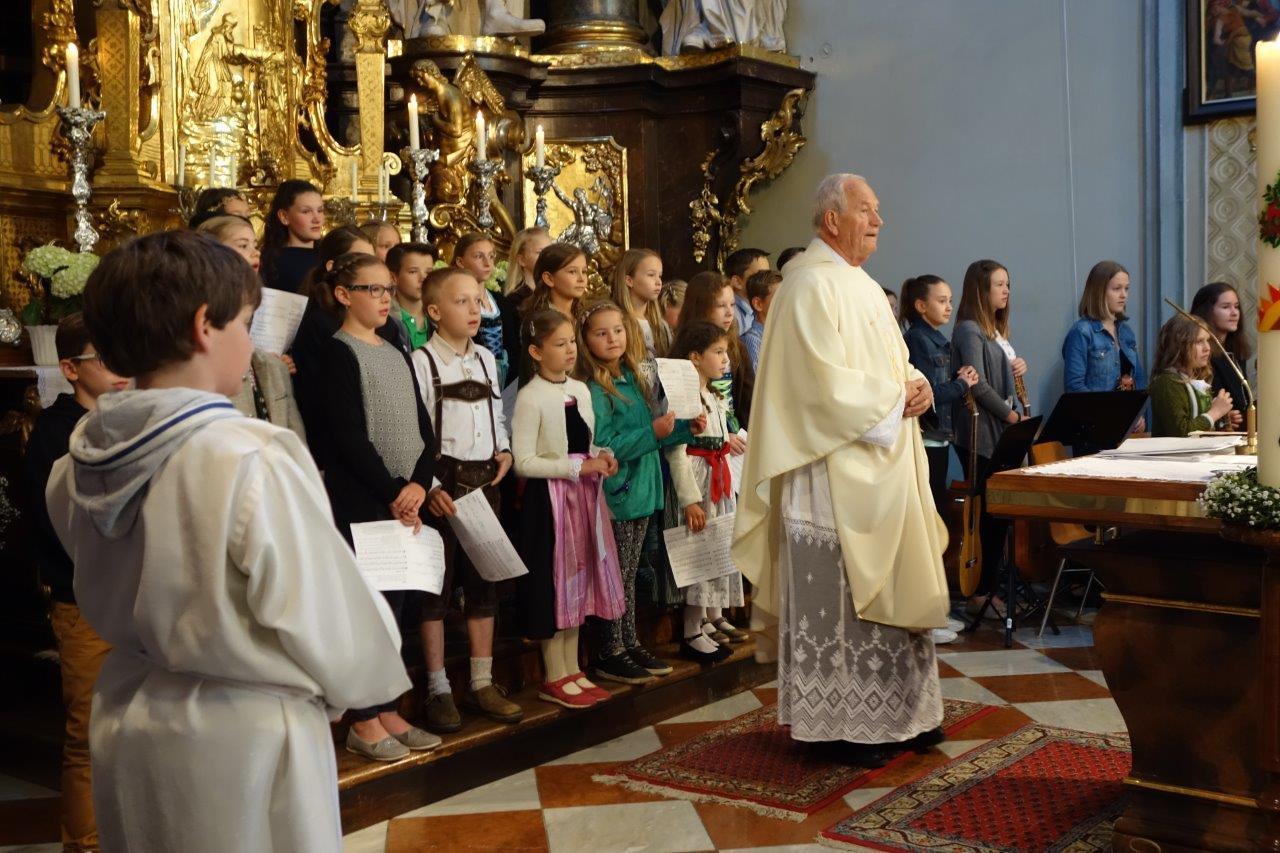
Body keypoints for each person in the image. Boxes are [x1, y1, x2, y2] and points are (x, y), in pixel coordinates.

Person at [45, 231, 411, 852]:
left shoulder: (77, 462)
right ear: (203, 327)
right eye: (246, 322)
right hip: (243, 729)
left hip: (128, 710)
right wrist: (358, 684)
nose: (251, 340)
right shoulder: (248, 455)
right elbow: (329, 617)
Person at [733, 174, 948, 766]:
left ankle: (905, 714)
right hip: (829, 473)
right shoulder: (807, 285)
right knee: (844, 599)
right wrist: (894, 398)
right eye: (865, 210)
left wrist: (920, 387)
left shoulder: (860, 284)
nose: (878, 221)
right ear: (832, 220)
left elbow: (896, 362)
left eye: (878, 210)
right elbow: (817, 386)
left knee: (896, 585)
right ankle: (845, 725)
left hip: (883, 465)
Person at [315, 252, 442, 762]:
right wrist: (394, 490)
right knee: (369, 613)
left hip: (405, 499)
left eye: (388, 289)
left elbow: (422, 427)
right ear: (344, 295)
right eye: (373, 289)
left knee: (398, 611)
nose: (385, 298)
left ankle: (389, 709)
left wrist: (420, 483)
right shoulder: (337, 353)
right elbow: (346, 438)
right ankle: (363, 719)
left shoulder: (394, 349)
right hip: (365, 500)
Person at [23, 313, 128, 852]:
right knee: (88, 738)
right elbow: (60, 526)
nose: (122, 368)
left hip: (133, 602)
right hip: (83, 600)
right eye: (105, 358)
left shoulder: (130, 422)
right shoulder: (55, 433)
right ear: (70, 369)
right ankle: (84, 846)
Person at [411, 267, 524, 732]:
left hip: (484, 481)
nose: (474, 310)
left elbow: (495, 414)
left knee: (484, 584)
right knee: (435, 592)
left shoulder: (485, 359)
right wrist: (430, 487)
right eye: (462, 302)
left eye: (477, 301)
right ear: (435, 311)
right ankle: (438, 687)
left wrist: (505, 449)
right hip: (443, 483)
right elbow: (415, 431)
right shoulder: (421, 362)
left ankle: (481, 681)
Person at [577, 300, 701, 685]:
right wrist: (653, 432)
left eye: (618, 330)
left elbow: (655, 433)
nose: (612, 338)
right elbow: (604, 445)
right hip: (618, 492)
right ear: (586, 340)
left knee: (629, 573)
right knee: (616, 574)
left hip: (643, 490)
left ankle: (628, 641)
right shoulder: (595, 388)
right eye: (601, 333)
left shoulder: (632, 376)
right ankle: (609, 650)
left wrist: (686, 429)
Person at [512, 308, 623, 708]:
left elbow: (584, 442)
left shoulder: (581, 389)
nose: (570, 350)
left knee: (581, 578)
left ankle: (573, 668)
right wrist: (576, 467)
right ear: (536, 352)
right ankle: (554, 673)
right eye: (560, 344)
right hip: (551, 502)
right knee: (557, 582)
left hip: (584, 498)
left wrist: (602, 455)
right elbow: (524, 461)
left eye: (572, 341)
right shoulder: (530, 396)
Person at [951, 258, 1028, 616]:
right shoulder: (969, 330)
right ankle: (979, 592)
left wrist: (1018, 368)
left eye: (1007, 284)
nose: (1006, 291)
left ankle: (993, 585)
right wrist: (1012, 417)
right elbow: (977, 384)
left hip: (1001, 429)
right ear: (981, 290)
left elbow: (1000, 378)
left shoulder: (995, 331)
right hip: (982, 434)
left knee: (999, 513)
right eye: (999, 284)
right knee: (988, 515)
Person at [666, 321, 745, 662]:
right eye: (718, 352)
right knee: (698, 554)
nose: (725, 359)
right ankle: (691, 630)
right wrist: (690, 499)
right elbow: (677, 452)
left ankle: (706, 621)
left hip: (717, 479)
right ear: (695, 357)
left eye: (725, 352)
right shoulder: (687, 399)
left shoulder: (713, 395)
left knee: (716, 552)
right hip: (699, 481)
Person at [197, 217, 308, 437]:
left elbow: (293, 436)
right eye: (243, 245)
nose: (255, 252)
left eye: (255, 245)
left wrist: (273, 362)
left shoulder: (258, 296)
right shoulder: (202, 302)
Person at [291, 226, 375, 466]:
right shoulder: (320, 322)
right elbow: (328, 403)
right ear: (332, 267)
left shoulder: (378, 322)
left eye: (371, 260)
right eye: (360, 261)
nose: (370, 269)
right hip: (335, 453)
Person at [901, 275, 978, 508]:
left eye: (950, 301)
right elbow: (928, 394)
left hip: (940, 435)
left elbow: (939, 381)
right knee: (934, 505)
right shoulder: (917, 339)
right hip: (928, 436)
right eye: (942, 301)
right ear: (921, 306)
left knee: (938, 500)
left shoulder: (934, 338)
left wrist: (959, 376)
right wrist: (962, 384)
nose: (949, 307)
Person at [673, 271, 754, 435]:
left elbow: (749, 401)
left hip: (738, 433)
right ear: (701, 307)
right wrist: (725, 436)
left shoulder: (738, 348)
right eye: (721, 305)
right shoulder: (684, 351)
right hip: (706, 436)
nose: (729, 312)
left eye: (732, 305)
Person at [1062, 261, 1148, 406]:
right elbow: (1075, 388)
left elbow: (1139, 379)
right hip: (1096, 416)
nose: (1124, 295)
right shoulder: (1082, 332)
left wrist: (1139, 412)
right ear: (1099, 292)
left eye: (1126, 289)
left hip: (1128, 415)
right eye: (1117, 289)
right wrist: (1107, 412)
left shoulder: (1126, 331)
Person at [1149, 314, 1237, 436]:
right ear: (1179, 345)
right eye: (1199, 341)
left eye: (1207, 340)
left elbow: (1199, 423)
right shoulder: (1167, 382)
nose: (1207, 348)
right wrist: (1214, 413)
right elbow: (1181, 432)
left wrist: (1220, 418)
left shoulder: (1196, 380)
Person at [518, 243, 590, 381]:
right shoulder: (538, 322)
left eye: (584, 271)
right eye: (572, 272)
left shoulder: (585, 316)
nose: (581, 279)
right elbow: (532, 371)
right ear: (549, 278)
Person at [453, 232, 513, 387]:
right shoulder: (454, 303)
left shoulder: (502, 302)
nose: (487, 263)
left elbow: (514, 347)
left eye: (491, 256)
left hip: (507, 384)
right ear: (460, 261)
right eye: (479, 256)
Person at [1191, 282, 1252, 422]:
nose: (1234, 313)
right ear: (1206, 311)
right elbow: (1197, 405)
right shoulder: (1200, 353)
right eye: (1225, 307)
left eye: (1236, 306)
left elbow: (1243, 400)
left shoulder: (1236, 351)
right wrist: (1223, 418)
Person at [259, 179, 325, 293]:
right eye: (306, 211)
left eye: (320, 210)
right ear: (284, 216)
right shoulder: (269, 262)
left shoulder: (330, 255)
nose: (317, 219)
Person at [612, 248, 674, 359]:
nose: (658, 282)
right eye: (651, 275)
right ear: (629, 281)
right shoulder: (616, 322)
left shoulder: (661, 325)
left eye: (659, 276)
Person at [503, 226, 552, 364]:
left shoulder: (553, 293)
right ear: (521, 260)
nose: (547, 257)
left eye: (550, 251)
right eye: (540, 252)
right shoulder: (514, 300)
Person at [383, 241, 437, 353]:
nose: (423, 278)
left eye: (428, 272)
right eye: (413, 272)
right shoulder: (384, 320)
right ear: (393, 277)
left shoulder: (441, 317)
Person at [740, 268, 781, 372]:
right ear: (758, 304)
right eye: (779, 298)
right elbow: (758, 378)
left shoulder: (782, 334)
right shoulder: (752, 339)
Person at [723, 247, 771, 335]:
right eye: (760, 276)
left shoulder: (758, 309)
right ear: (737, 282)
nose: (768, 281)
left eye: (768, 275)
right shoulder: (731, 315)